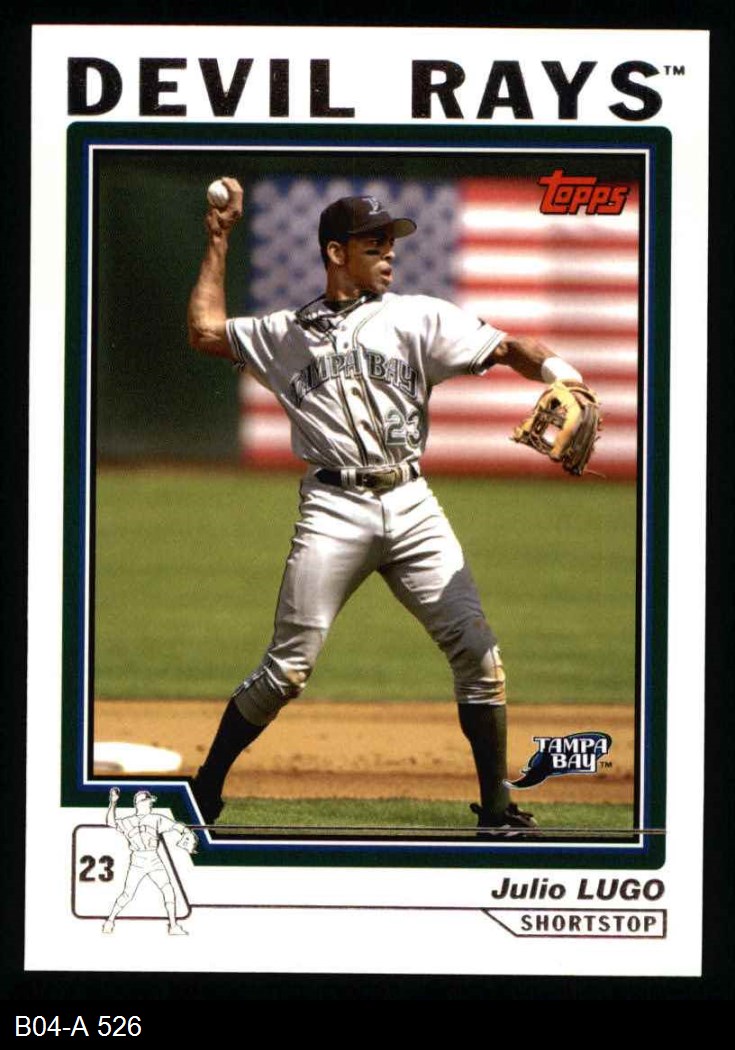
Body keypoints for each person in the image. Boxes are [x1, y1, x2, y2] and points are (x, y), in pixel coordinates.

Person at [187, 179, 586, 836]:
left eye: (389, 242)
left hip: (411, 502)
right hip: (332, 507)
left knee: (478, 655)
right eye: (373, 244)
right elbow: (204, 331)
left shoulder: (417, 317)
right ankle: (205, 790)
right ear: (335, 252)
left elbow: (511, 347)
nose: (388, 254)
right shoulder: (284, 333)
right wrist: (219, 239)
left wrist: (563, 377)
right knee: (287, 669)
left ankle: (497, 812)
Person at [102, 788, 194, 935]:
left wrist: (186, 832)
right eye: (148, 801)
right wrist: (113, 803)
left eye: (150, 802)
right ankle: (109, 921)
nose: (150, 804)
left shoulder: (156, 818)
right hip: (137, 860)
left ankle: (173, 926)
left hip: (153, 858)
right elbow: (110, 822)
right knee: (127, 894)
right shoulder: (128, 821)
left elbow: (175, 826)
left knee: (168, 890)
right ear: (139, 804)